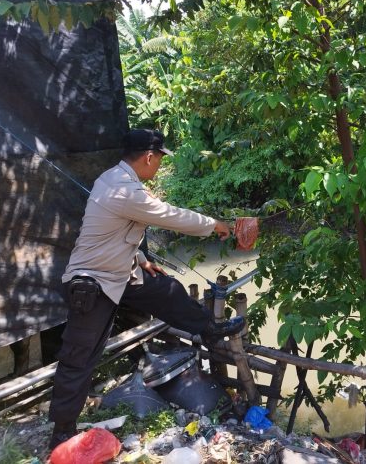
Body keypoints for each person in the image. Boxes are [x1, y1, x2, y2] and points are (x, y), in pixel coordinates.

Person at [47, 128, 245, 449]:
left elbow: (110, 231)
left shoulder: (115, 181)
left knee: (165, 289)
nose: (158, 167)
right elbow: (170, 216)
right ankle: (62, 429)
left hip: (120, 272)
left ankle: (209, 329)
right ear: (149, 157)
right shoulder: (123, 190)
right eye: (159, 160)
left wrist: (138, 257)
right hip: (94, 282)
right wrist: (214, 225)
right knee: (79, 355)